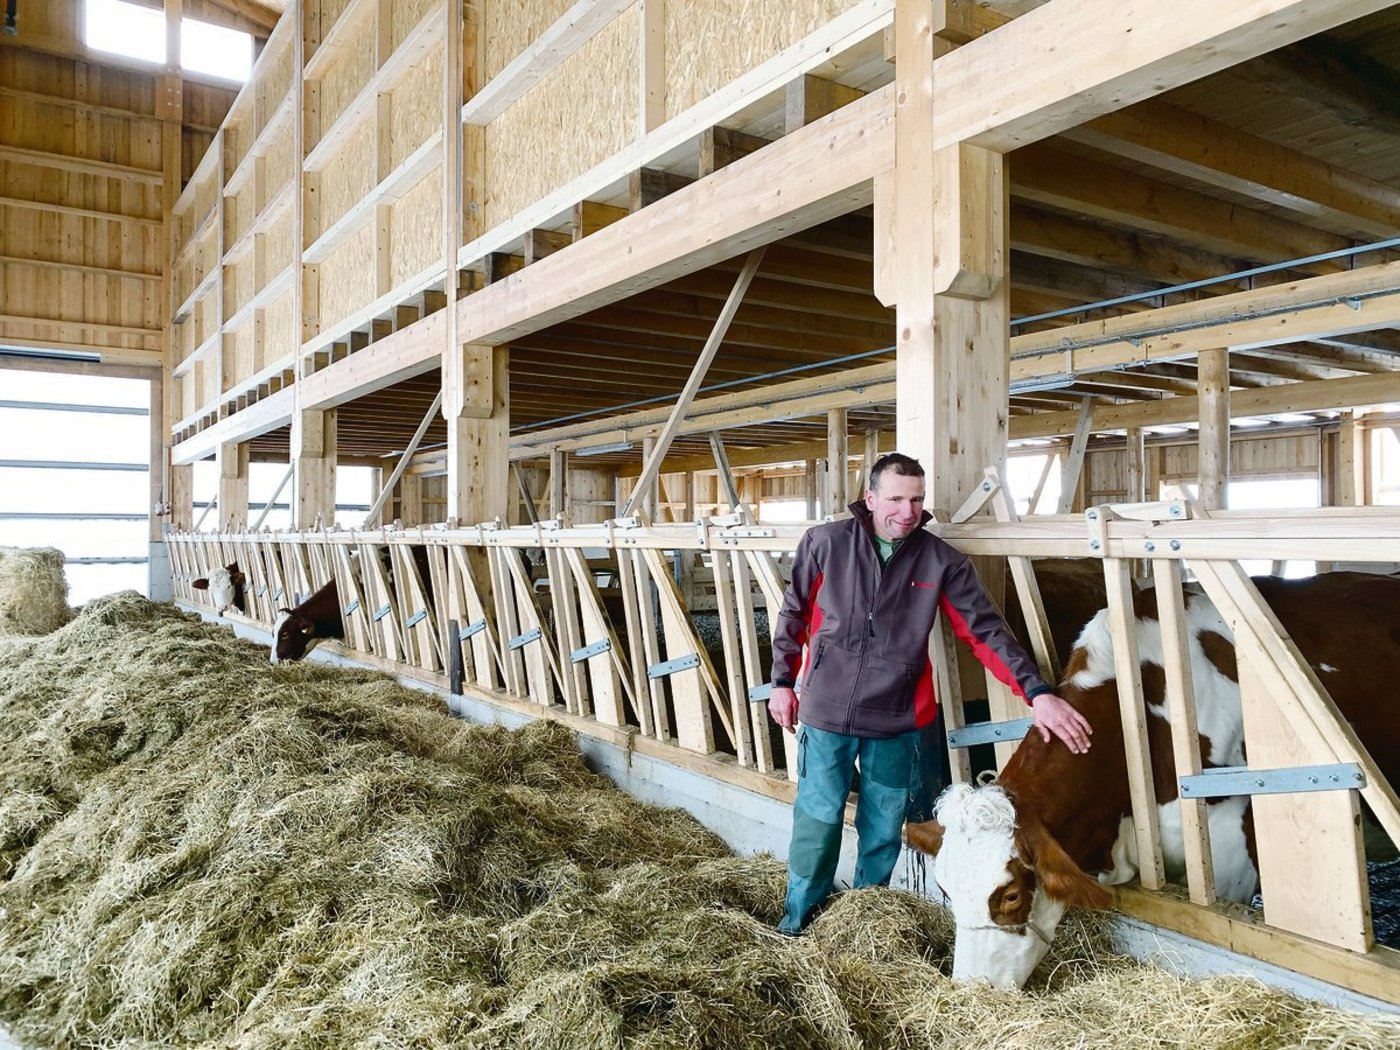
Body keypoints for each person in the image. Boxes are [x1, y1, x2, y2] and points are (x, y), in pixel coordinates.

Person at [764, 452, 1092, 935]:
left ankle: (863, 924)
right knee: (818, 821)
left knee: (882, 829)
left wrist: (1037, 692)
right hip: (825, 710)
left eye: (916, 499)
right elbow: (793, 616)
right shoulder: (826, 544)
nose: (907, 510)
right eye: (895, 498)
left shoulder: (940, 562)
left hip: (897, 719)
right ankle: (798, 920)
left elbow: (985, 633)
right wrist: (782, 683)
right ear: (870, 497)